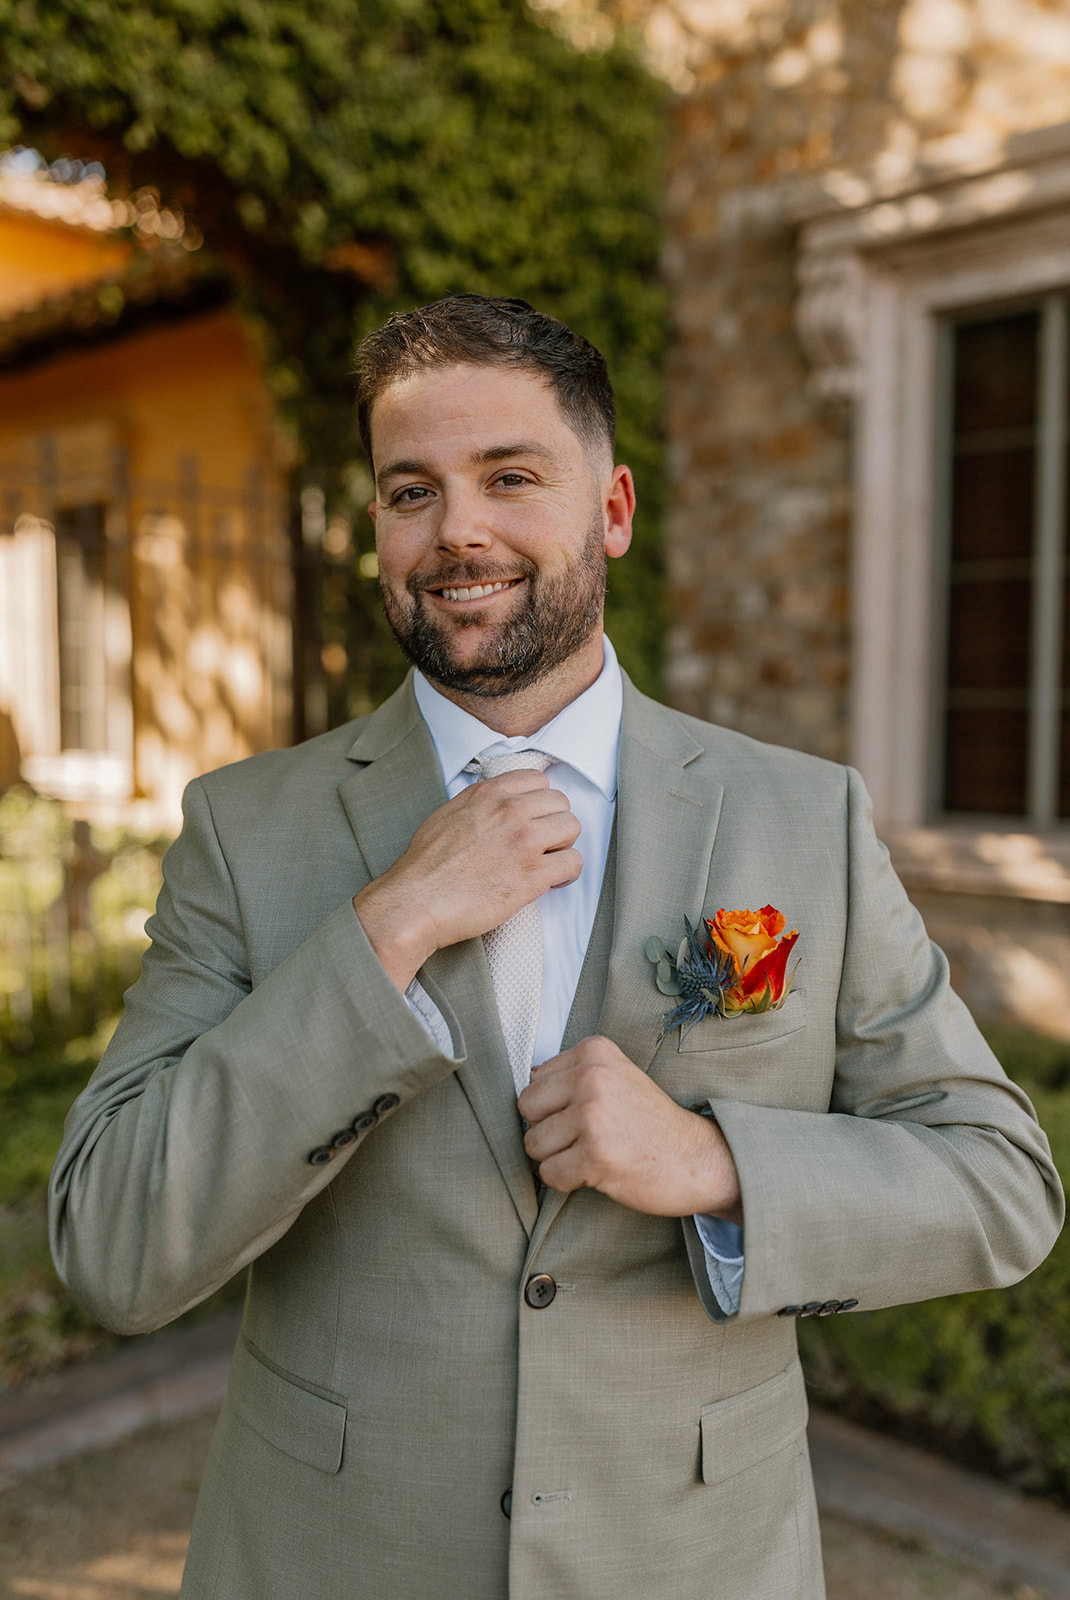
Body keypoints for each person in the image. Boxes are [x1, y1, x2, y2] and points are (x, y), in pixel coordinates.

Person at [50, 294, 1062, 1600]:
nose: (457, 529)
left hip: (694, 1563)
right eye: (410, 490)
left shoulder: (800, 816)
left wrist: (711, 1163)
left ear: (613, 510)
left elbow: (999, 1186)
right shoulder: (246, 832)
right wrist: (387, 928)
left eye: (510, 477)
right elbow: (113, 1244)